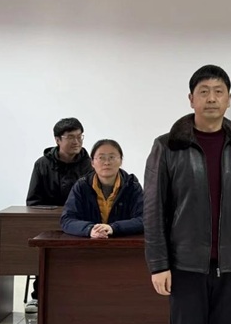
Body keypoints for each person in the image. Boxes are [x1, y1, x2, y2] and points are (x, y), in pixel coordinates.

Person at [143, 64, 231, 324]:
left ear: (228, 98)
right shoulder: (167, 146)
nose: (211, 98)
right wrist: (159, 264)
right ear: (191, 99)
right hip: (185, 266)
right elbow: (153, 210)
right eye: (204, 92)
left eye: (218, 92)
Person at [25, 117, 92, 313]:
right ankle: (37, 297)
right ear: (57, 140)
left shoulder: (89, 164)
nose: (77, 142)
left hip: (81, 222)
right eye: (71, 137)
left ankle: (79, 297)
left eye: (80, 136)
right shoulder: (42, 164)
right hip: (48, 223)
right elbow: (33, 200)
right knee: (43, 252)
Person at [60, 139, 143, 238]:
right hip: (89, 242)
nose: (107, 162)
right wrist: (90, 229)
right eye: (101, 158)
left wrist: (113, 228)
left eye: (112, 157)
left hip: (122, 242)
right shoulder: (82, 186)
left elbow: (144, 219)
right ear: (92, 162)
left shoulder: (132, 186)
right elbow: (67, 220)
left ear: (121, 161)